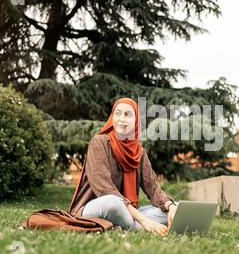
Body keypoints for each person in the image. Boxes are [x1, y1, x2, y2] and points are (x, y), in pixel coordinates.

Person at [68, 97, 178, 236]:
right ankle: (139, 225)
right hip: (96, 207)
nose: (122, 119)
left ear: (136, 120)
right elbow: (104, 189)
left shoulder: (139, 151)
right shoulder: (99, 143)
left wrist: (170, 206)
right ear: (112, 117)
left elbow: (153, 188)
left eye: (128, 114)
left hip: (128, 212)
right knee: (113, 202)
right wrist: (144, 220)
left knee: (179, 208)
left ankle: (119, 225)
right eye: (118, 113)